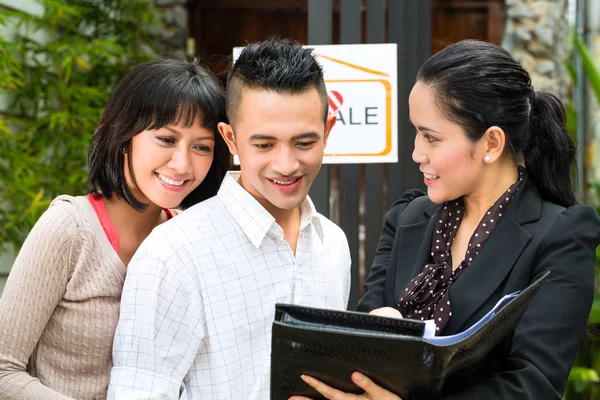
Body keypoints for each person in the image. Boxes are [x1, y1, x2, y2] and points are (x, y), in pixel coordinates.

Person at [292, 40, 600, 400]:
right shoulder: (408, 218)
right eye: (416, 133)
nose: (416, 153)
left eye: (431, 138)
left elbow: (534, 386)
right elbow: (361, 352)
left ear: (491, 144)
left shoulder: (560, 235)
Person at [107, 38, 351, 399]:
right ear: (231, 139)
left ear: (327, 131)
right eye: (264, 145)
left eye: (304, 143)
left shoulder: (333, 244)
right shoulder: (173, 252)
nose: (286, 165)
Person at [0, 58, 229, 400]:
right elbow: (4, 370)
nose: (183, 164)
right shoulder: (69, 229)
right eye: (166, 139)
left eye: (201, 146)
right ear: (125, 136)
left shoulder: (187, 240)